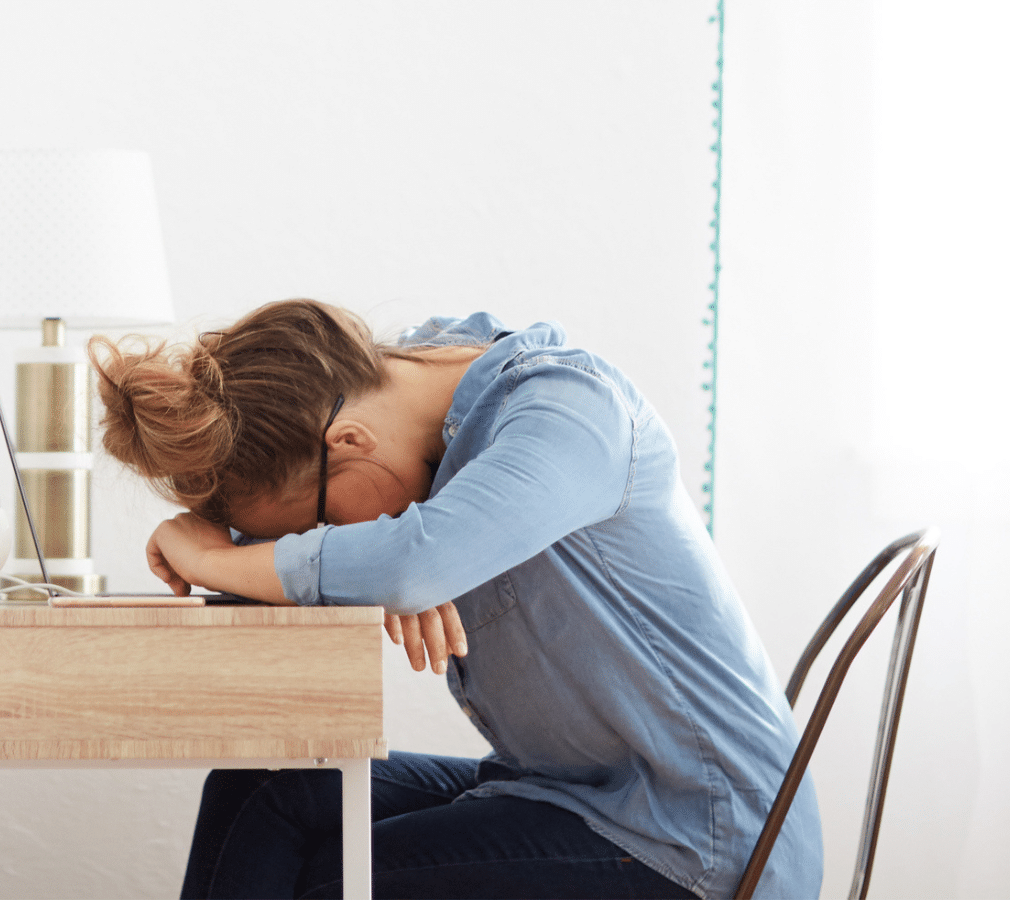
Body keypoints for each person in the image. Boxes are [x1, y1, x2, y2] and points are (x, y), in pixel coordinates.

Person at [89, 299, 822, 900]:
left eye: (319, 526)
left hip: (697, 834)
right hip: (563, 789)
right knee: (265, 787)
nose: (327, 542)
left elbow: (410, 564)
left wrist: (224, 556)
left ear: (348, 440)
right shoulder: (424, 421)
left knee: (333, 886)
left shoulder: (569, 413)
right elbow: (408, 560)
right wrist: (370, 557)